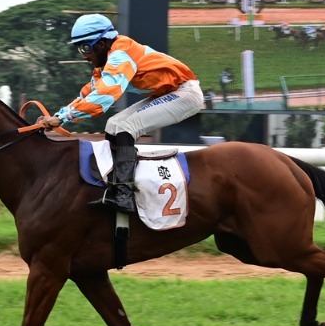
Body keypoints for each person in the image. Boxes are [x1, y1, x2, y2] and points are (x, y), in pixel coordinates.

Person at [36, 14, 203, 213]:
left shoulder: (121, 55)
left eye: (85, 48)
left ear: (102, 43)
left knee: (125, 127)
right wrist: (57, 116)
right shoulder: (106, 62)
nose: (83, 56)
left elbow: (104, 98)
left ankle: (124, 193)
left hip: (185, 94)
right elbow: (89, 94)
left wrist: (63, 118)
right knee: (114, 125)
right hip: (170, 93)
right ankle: (114, 187)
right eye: (79, 48)